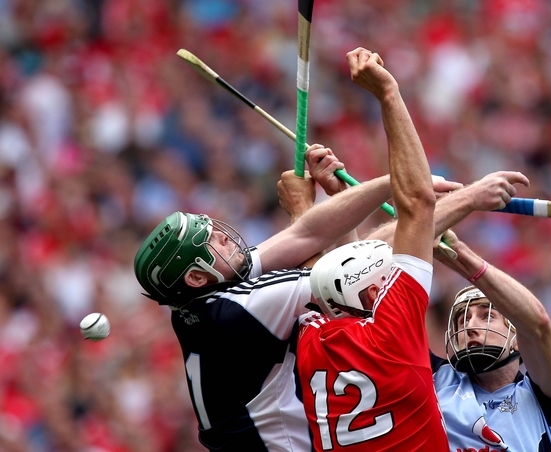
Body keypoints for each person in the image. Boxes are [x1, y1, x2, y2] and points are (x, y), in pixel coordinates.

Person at [133, 139, 460, 450]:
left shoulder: (198, 303)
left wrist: (340, 196)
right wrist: (434, 194)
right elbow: (349, 271)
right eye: (211, 242)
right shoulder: (241, 310)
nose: (225, 237)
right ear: (195, 276)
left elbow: (306, 235)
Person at [295, 47, 449, 451]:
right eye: (384, 279)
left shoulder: (312, 340)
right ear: (371, 294)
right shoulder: (391, 333)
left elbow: (333, 267)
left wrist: (337, 199)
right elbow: (418, 204)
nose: (390, 279)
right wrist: (388, 94)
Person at [431, 230, 551, 452]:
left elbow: (539, 325)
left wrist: (460, 255)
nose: (469, 326)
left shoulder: (543, 397)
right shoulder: (436, 379)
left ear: (518, 339)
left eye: (487, 316)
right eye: (463, 320)